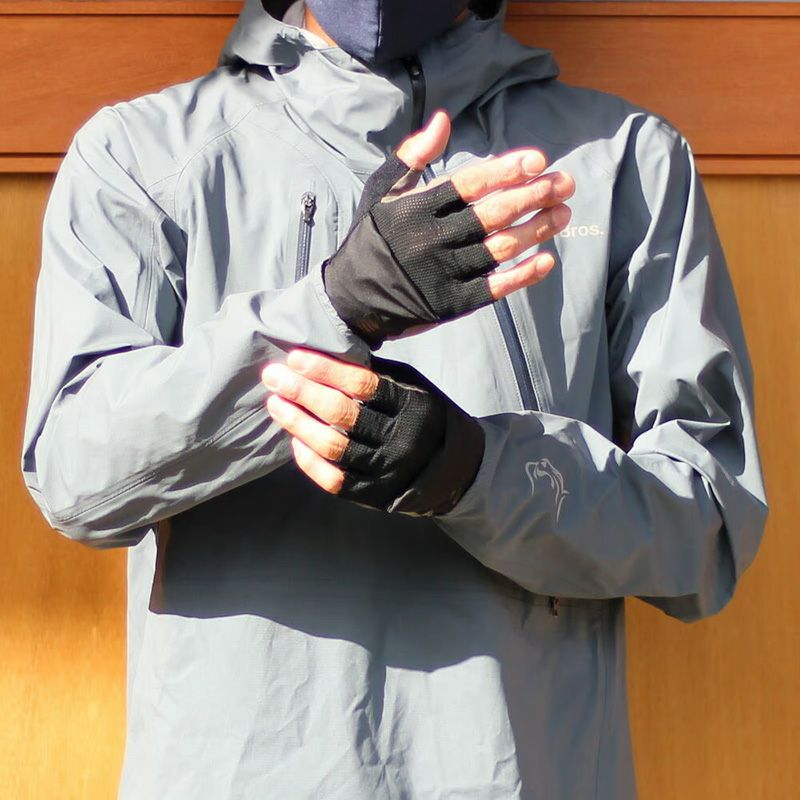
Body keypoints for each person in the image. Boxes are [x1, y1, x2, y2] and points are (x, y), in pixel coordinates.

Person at [21, 0, 767, 797]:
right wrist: (336, 307)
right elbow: (76, 478)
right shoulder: (142, 157)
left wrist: (474, 472)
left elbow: (706, 532)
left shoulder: (622, 164)